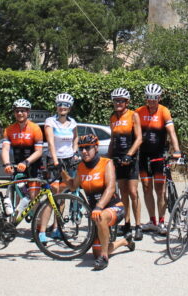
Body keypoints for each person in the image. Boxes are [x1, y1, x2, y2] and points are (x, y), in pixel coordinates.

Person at [62, 134, 134, 271]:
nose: (84, 152)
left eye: (87, 148)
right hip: (96, 213)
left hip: (114, 207)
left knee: (101, 220)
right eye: (81, 149)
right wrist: (61, 172)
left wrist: (99, 207)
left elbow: (111, 187)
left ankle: (105, 258)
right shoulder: (81, 167)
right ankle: (125, 241)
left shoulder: (106, 163)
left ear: (96, 148)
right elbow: (72, 186)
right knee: (96, 252)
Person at [135, 83, 182, 235]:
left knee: (160, 190)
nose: (152, 101)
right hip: (143, 156)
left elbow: (171, 132)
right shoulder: (139, 112)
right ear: (146, 98)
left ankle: (162, 221)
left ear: (159, 98)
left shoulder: (164, 111)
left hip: (158, 156)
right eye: (149, 98)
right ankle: (152, 221)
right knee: (146, 188)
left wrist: (177, 150)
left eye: (155, 98)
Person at [40, 93, 80, 242]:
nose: (62, 107)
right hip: (54, 161)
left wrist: (75, 152)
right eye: (60, 105)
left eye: (66, 105)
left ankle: (56, 228)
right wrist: (55, 160)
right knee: (52, 196)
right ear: (56, 106)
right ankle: (42, 232)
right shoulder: (50, 121)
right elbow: (50, 142)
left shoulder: (73, 123)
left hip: (69, 160)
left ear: (70, 108)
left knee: (62, 196)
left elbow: (75, 137)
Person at [0, 99, 43, 236]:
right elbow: (5, 149)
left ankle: (38, 228)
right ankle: (13, 224)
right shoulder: (9, 130)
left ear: (28, 112)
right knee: (17, 196)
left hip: (32, 165)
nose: (20, 113)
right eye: (17, 110)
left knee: (33, 197)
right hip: (18, 166)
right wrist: (7, 164)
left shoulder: (35, 129)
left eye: (23, 110)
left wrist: (26, 162)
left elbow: (39, 151)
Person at [107, 88, 144, 241]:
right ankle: (127, 223)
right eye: (116, 100)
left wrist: (129, 154)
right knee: (123, 193)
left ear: (127, 102)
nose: (118, 103)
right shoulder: (112, 117)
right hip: (117, 158)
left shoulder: (133, 115)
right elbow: (112, 140)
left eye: (121, 100)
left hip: (131, 158)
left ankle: (138, 225)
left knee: (133, 192)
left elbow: (139, 138)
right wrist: (108, 159)